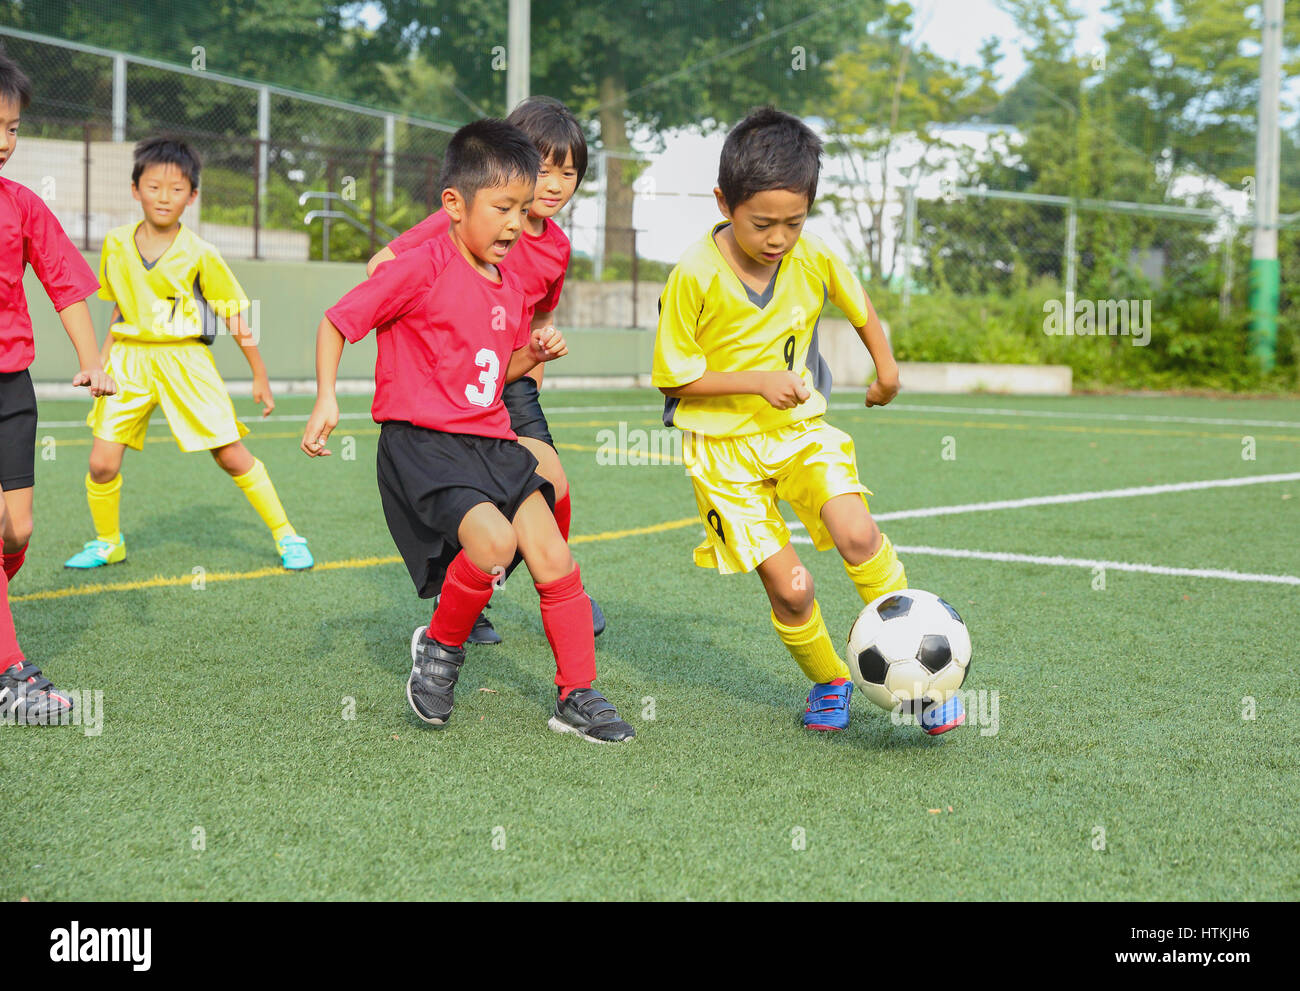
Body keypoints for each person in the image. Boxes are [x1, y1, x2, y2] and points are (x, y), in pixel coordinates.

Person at [303, 119, 634, 743]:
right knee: (490, 545)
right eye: (502, 207)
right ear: (454, 205)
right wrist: (326, 397)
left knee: (553, 553)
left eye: (521, 207)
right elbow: (337, 321)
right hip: (424, 444)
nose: (514, 223)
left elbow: (494, 370)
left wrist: (535, 352)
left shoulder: (510, 286)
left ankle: (577, 696)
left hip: (491, 438)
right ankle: (441, 647)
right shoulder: (418, 268)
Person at [652, 106, 964, 735]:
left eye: (793, 222)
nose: (777, 239)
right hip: (722, 456)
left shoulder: (812, 255)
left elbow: (860, 306)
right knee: (792, 590)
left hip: (800, 434)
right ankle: (830, 680)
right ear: (723, 201)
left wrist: (888, 369)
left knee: (857, 533)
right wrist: (757, 382)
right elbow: (674, 376)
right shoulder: (693, 274)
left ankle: (924, 680)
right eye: (761, 223)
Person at [368, 96, 602, 646]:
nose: (555, 183)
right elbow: (384, 266)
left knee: (551, 485)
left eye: (569, 173)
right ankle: (467, 597)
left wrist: (534, 368)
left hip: (513, 380)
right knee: (490, 511)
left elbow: (542, 309)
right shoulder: (474, 214)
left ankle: (555, 586)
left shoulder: (559, 247)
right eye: (543, 168)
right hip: (456, 385)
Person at [64, 136, 312, 572]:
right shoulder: (116, 243)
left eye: (177, 188)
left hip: (186, 360)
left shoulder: (202, 253)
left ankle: (287, 534)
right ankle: (107, 542)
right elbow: (121, 307)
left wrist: (260, 375)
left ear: (193, 196)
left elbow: (234, 315)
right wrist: (99, 364)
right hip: (128, 360)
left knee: (230, 454)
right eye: (154, 186)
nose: (164, 196)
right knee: (101, 463)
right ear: (135, 188)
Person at [0, 54, 116, 722]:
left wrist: (92, 357)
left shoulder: (23, 205)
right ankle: (12, 675)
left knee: (16, 531)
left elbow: (65, 282)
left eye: (14, 128)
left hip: (11, 388)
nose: (6, 142)